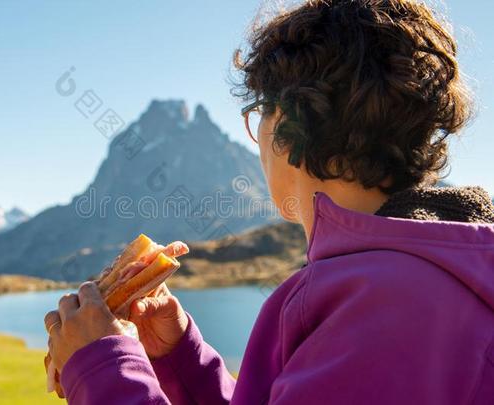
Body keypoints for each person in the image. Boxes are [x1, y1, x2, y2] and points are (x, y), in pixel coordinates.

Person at [44, 1, 494, 404]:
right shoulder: (412, 278)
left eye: (258, 114)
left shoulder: (384, 303)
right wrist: (180, 358)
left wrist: (103, 368)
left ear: (286, 127)